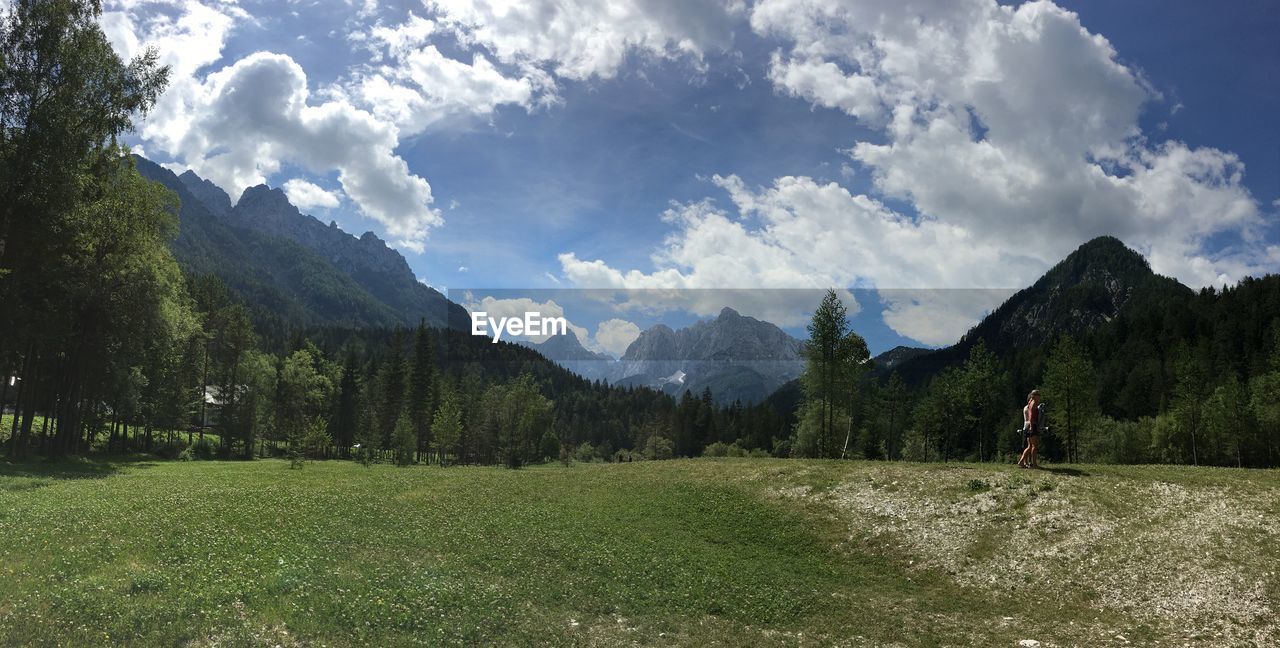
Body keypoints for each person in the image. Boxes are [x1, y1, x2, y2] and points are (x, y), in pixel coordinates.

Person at [1017, 390, 1043, 469]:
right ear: (1034, 395)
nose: (1039, 396)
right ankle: (1033, 464)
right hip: (1032, 425)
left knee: (1030, 446)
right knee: (1034, 446)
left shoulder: (1030, 403)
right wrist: (1032, 426)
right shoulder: (1034, 403)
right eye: (1038, 394)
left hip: (1027, 425)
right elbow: (1031, 415)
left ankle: (1022, 462)